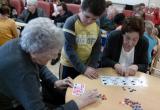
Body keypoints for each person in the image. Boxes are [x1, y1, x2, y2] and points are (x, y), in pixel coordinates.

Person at [0, 17, 99, 110]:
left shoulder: (24, 43)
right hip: (11, 105)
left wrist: (55, 82)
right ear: (37, 52)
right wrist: (78, 102)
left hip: (19, 91)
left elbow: (39, 65)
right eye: (51, 54)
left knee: (60, 95)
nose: (55, 57)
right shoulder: (24, 73)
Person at [59, 0, 106, 79]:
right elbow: (69, 50)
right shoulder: (71, 22)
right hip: (68, 65)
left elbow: (97, 46)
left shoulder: (97, 23)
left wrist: (91, 66)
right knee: (65, 90)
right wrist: (83, 69)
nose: (89, 21)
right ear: (80, 9)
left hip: (86, 65)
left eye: (94, 19)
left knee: (82, 89)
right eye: (87, 16)